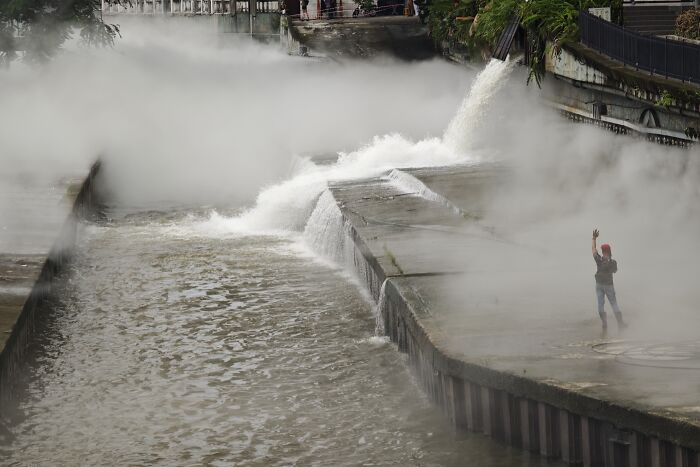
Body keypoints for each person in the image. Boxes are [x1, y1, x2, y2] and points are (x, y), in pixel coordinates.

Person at [592, 229, 626, 330]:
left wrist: (594, 238)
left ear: (602, 251)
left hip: (599, 285)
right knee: (614, 304)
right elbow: (615, 271)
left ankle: (604, 324)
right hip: (609, 285)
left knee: (600, 304)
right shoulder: (613, 262)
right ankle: (621, 324)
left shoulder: (599, 259)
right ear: (610, 251)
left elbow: (593, 249)